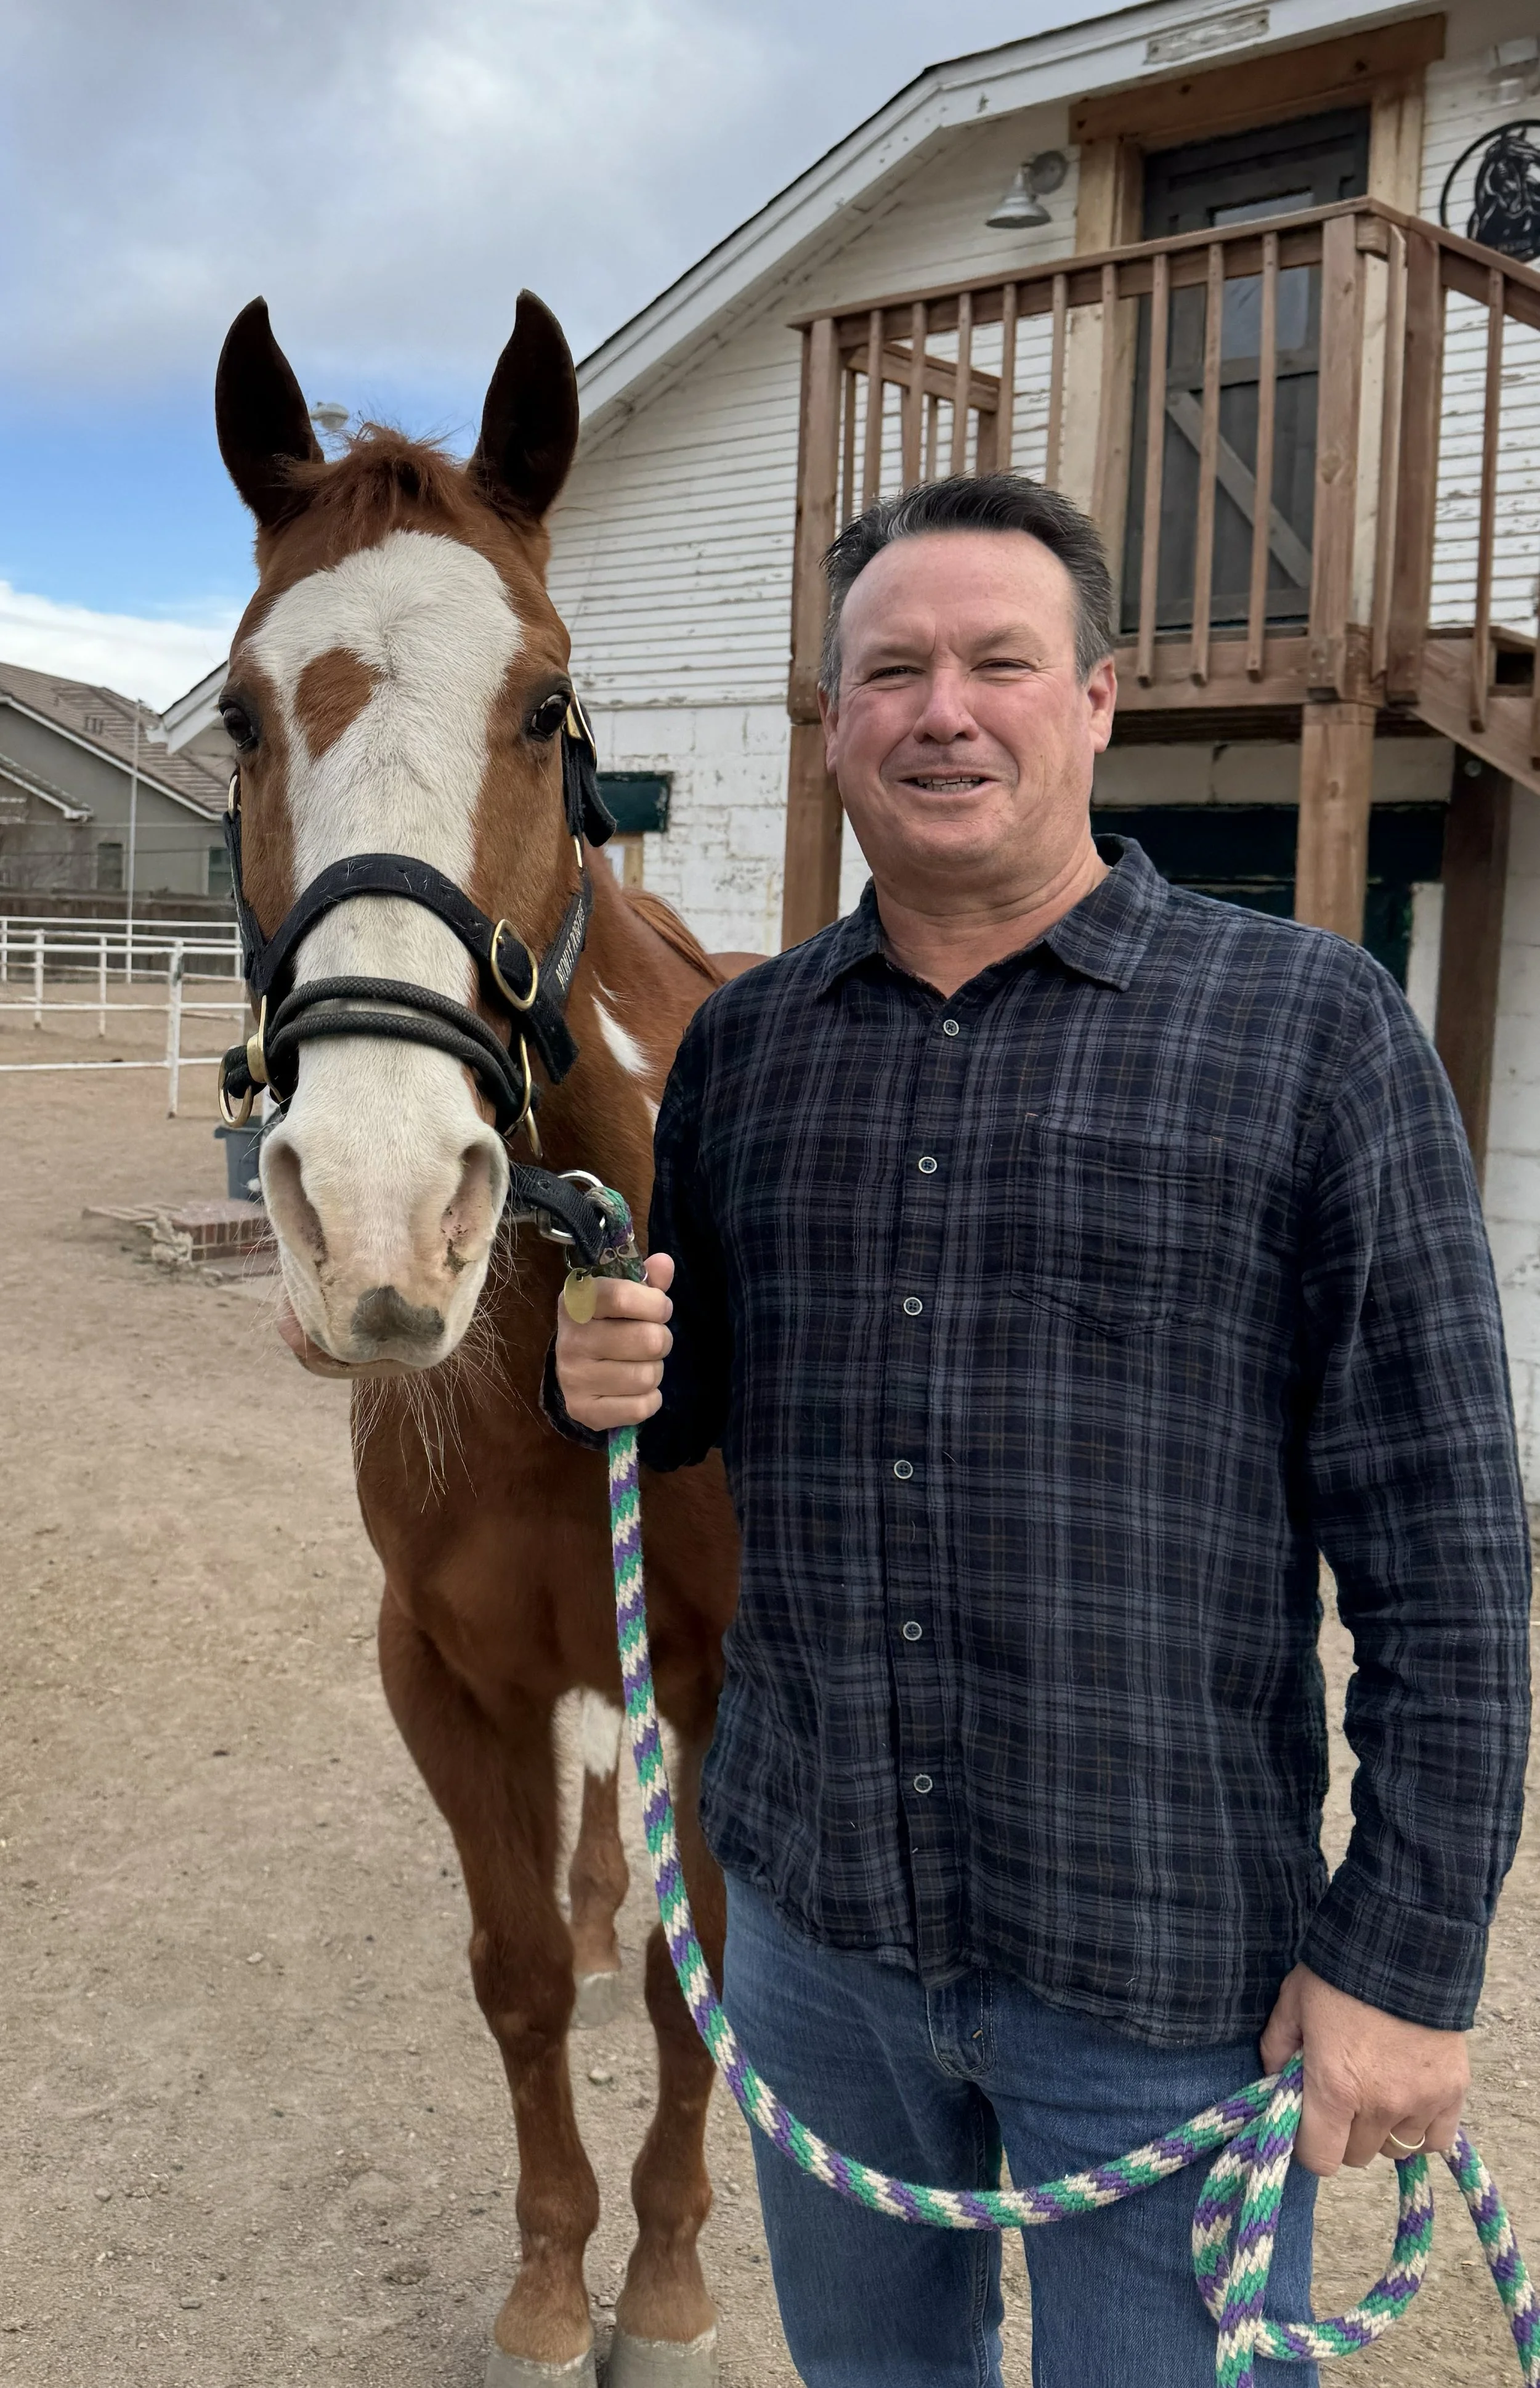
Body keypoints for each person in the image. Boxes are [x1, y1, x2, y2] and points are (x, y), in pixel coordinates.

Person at [549, 473, 1531, 2387]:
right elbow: (684, 1408)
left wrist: (1402, 1963)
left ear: (1094, 700)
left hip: (1164, 1974)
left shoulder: (1313, 1032)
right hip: (816, 1937)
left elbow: (1447, 1549)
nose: (942, 709)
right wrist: (592, 1373)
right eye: (889, 669)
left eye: (999, 661)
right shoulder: (746, 1053)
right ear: (831, 726)